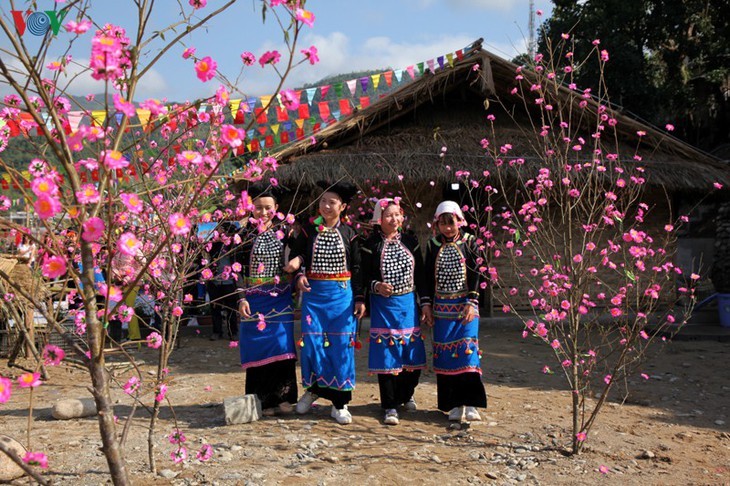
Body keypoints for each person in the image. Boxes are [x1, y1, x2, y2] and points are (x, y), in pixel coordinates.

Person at [289, 180, 366, 425]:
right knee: (311, 343)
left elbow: (357, 268)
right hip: (314, 296)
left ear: (342, 207)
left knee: (340, 347)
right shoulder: (308, 230)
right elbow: (298, 256)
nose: (325, 206)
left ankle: (339, 403)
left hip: (341, 298)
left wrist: (360, 298)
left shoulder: (350, 234)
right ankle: (312, 391)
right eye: (322, 201)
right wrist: (299, 274)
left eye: (331, 202)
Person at [234, 183, 300, 416]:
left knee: (282, 345)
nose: (263, 213)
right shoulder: (242, 237)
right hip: (253, 300)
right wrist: (241, 298)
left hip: (280, 297)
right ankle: (261, 400)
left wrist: (297, 263)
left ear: (277, 208)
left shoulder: (287, 233)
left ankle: (283, 398)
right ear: (251, 209)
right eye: (258, 208)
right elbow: (236, 271)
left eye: (268, 208)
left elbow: (300, 254)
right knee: (257, 349)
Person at [362, 198, 428, 426]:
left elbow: (420, 276)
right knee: (387, 355)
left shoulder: (411, 241)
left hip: (408, 305)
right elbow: (363, 277)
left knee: (412, 355)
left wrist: (425, 303)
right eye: (388, 215)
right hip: (383, 307)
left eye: (397, 214)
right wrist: (376, 286)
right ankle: (390, 405)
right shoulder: (370, 244)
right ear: (379, 219)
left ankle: (406, 394)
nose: (394, 219)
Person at [422, 201, 487, 422]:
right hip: (442, 309)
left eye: (452, 223)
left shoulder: (470, 243)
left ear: (460, 221)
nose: (448, 228)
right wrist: (427, 304)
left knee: (467, 352)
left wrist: (472, 301)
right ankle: (454, 404)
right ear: (437, 224)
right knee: (446, 356)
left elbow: (478, 273)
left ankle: (471, 404)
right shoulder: (432, 245)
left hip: (466, 307)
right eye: (443, 224)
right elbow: (427, 278)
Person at [206, 221, 240, 340]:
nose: (220, 233)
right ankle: (217, 331)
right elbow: (208, 251)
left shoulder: (234, 245)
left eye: (222, 230)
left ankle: (233, 332)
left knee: (231, 308)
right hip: (215, 281)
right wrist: (216, 241)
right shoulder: (214, 244)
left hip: (229, 281)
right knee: (215, 308)